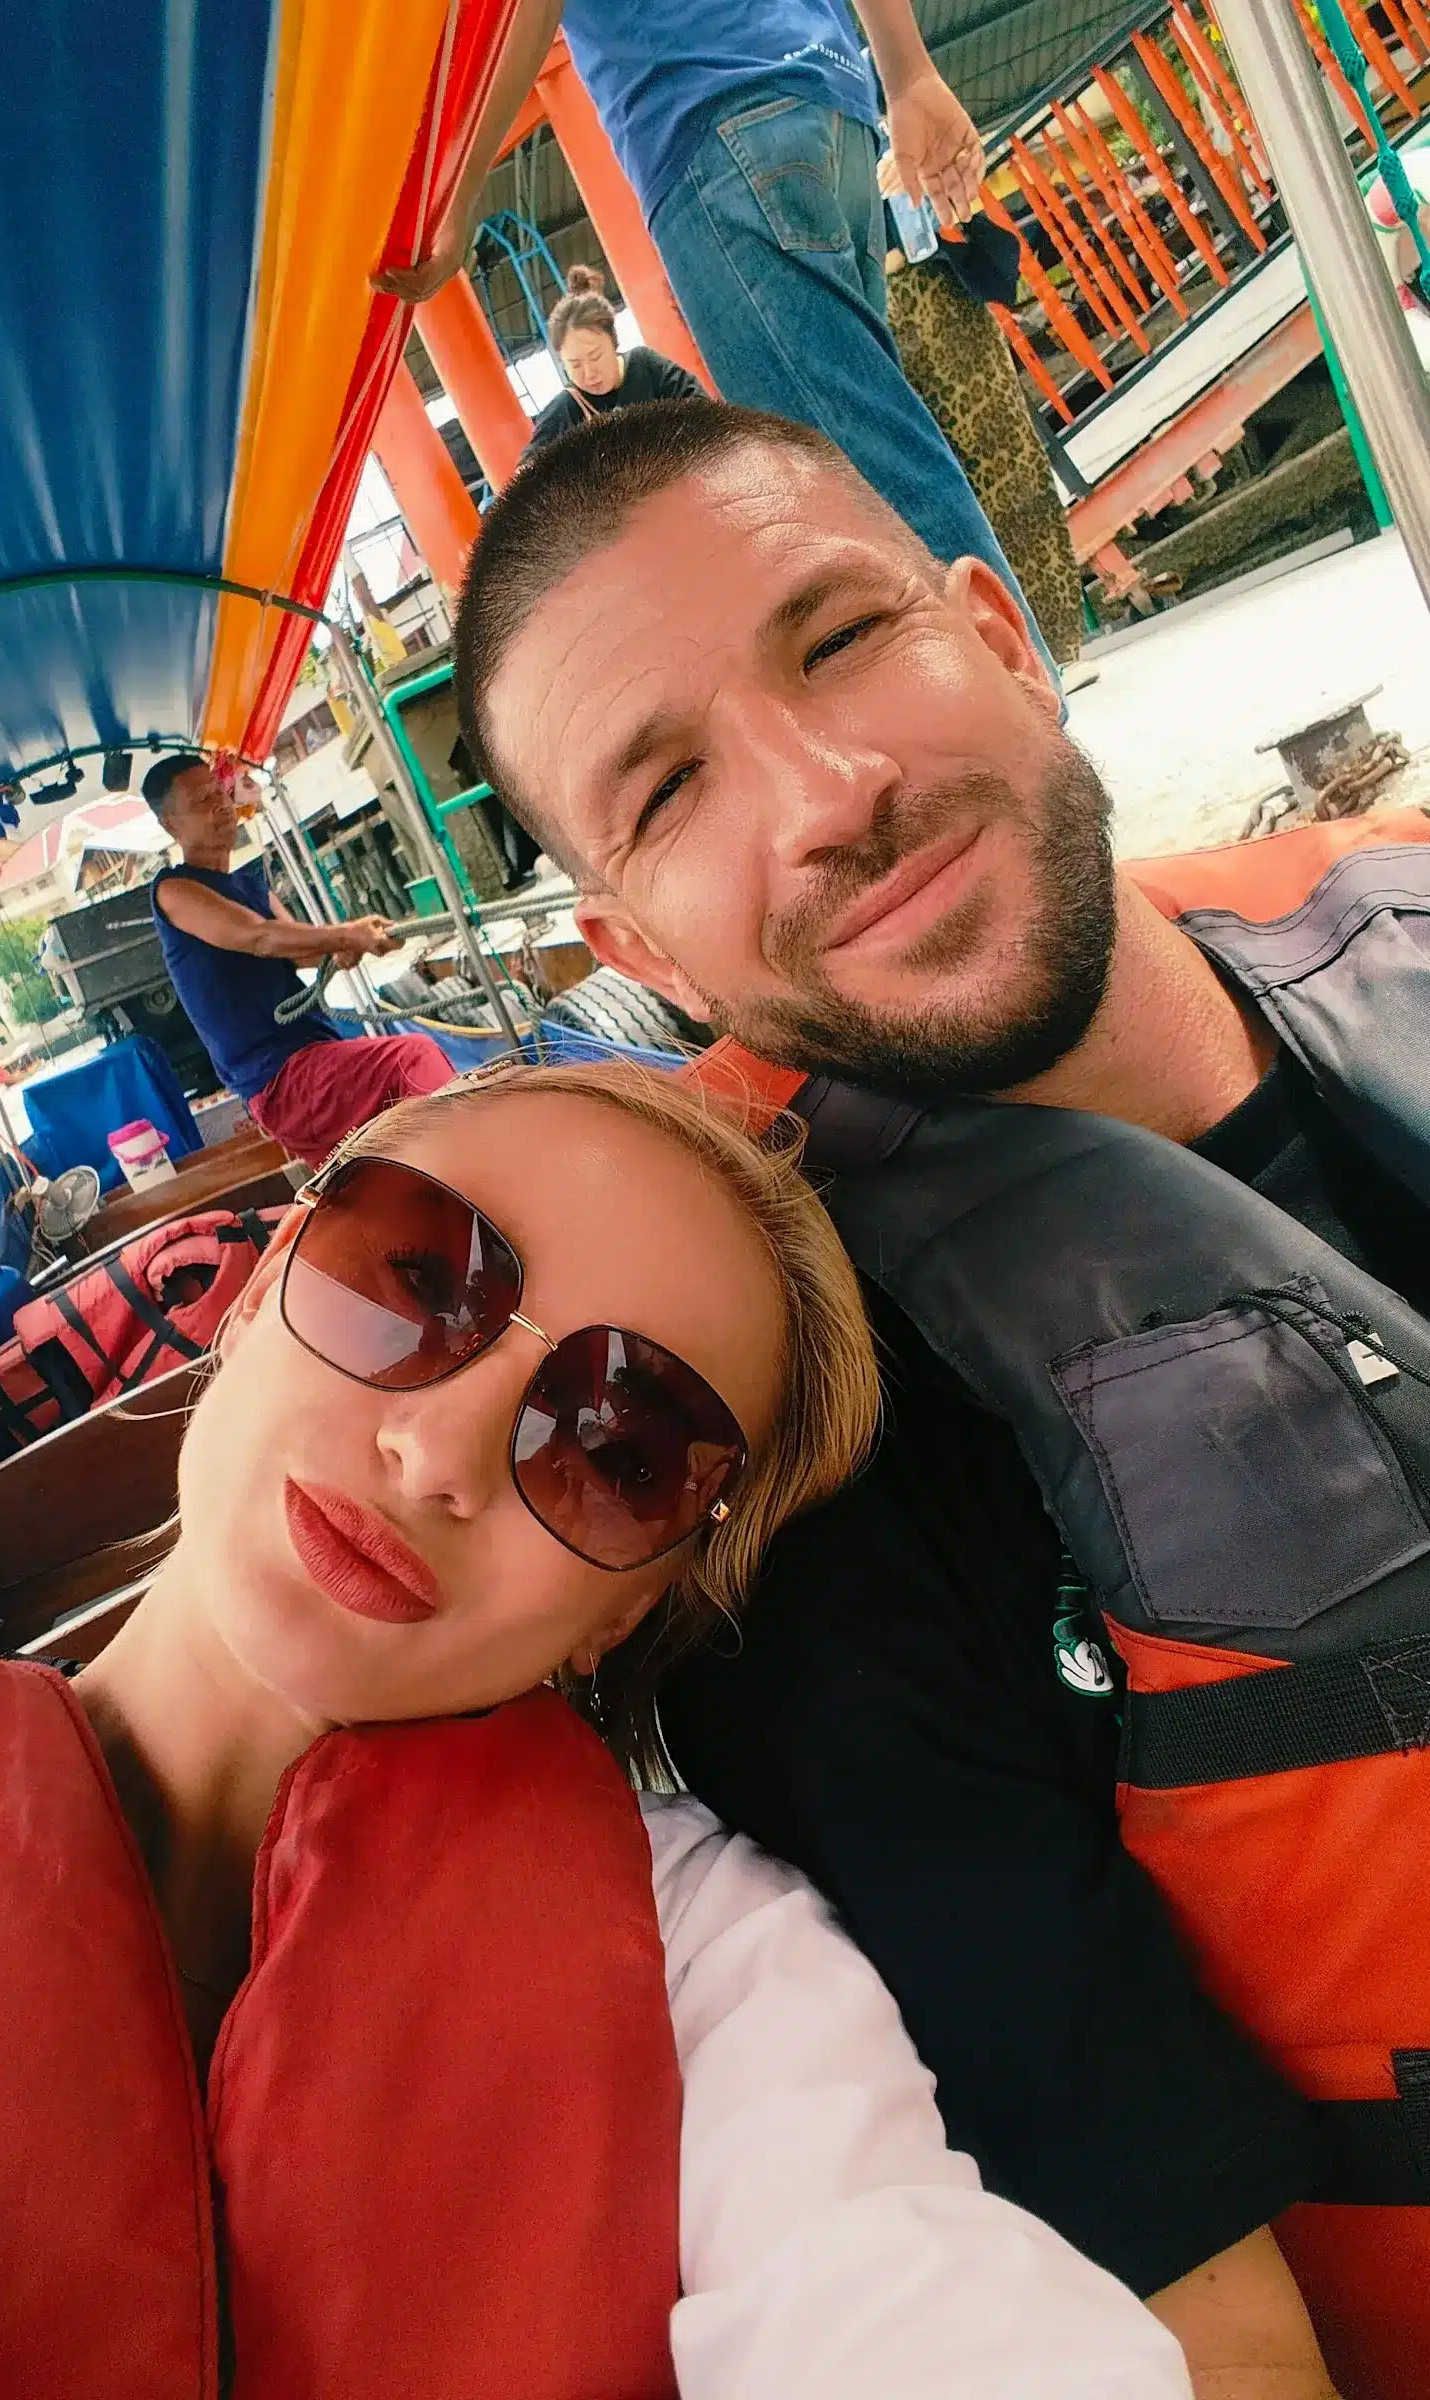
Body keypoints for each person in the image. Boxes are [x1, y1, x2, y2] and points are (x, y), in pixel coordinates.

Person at [0, 1062, 1191, 2399]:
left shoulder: (706, 1966)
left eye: (618, 1451)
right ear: (249, 1295)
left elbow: (905, 2297)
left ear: (626, 1612)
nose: (438, 1453)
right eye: (410, 1282)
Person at [448, 399, 1430, 2397]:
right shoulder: (812, 1490)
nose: (829, 792)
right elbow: (1208, 2324)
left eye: (840, 637)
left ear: (997, 627)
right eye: (668, 786)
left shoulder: (1395, 910)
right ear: (634, 945)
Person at [375, 0, 1059, 677]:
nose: (586, 369)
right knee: (869, 437)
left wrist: (456, 196)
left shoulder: (654, 377)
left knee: (855, 479)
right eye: (574, 363)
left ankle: (1019, 724)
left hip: (709, 119)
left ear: (613, 345)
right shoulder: (576, 412)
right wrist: (907, 75)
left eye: (591, 356)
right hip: (829, 98)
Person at [144, 750, 454, 1167]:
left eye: (220, 792)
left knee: (387, 1154)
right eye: (201, 801)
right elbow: (259, 937)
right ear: (171, 825)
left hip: (314, 1056)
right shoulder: (175, 891)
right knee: (412, 1058)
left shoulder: (251, 886)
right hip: (281, 1079)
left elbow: (303, 954)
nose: (220, 805)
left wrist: (347, 945)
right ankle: (480, 1172)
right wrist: (347, 933)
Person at [876, 170, 1086, 664]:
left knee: (1010, 468)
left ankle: (1056, 645)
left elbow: (960, 200)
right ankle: (993, 658)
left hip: (944, 295)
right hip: (874, 315)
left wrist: (939, 188)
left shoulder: (883, 115)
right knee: (921, 494)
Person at [527, 263, 707, 452]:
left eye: (595, 356)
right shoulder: (565, 409)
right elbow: (527, 469)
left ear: (614, 341)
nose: (589, 374)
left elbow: (702, 410)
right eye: (575, 365)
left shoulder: (645, 365)